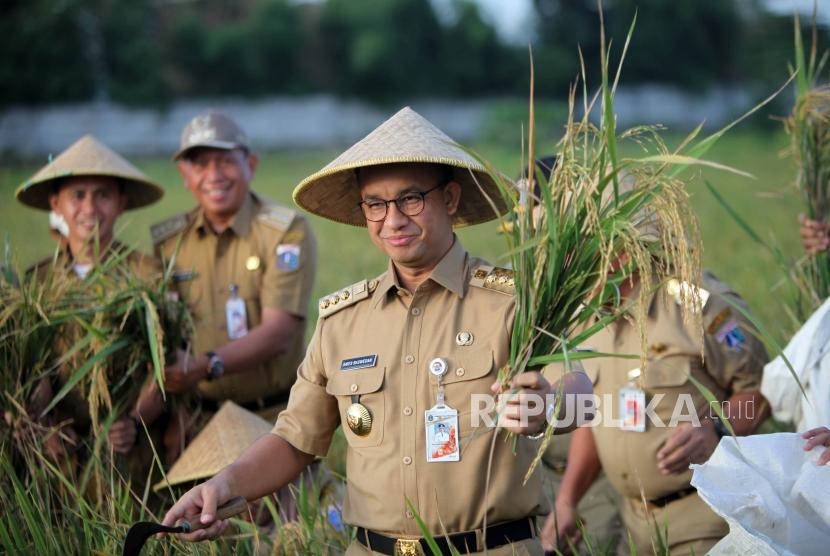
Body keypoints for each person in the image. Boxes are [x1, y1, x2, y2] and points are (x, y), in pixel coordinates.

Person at [162, 107, 594, 555]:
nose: (393, 220)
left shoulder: (511, 303)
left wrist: (549, 405)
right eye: (375, 204)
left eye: (411, 199)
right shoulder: (342, 320)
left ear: (449, 199)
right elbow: (294, 440)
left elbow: (582, 395)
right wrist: (224, 483)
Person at [541, 219, 770, 553]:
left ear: (622, 248)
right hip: (634, 527)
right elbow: (593, 418)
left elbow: (761, 390)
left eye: (582, 249)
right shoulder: (590, 317)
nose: (569, 263)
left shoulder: (696, 304)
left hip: (704, 519)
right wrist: (567, 501)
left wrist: (717, 429)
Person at [151, 110, 317, 440]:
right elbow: (169, 336)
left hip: (274, 419)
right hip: (200, 420)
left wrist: (204, 366)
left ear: (250, 165)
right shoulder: (170, 243)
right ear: (185, 175)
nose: (213, 175)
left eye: (225, 161)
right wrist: (176, 410)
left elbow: (278, 333)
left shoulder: (284, 232)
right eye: (199, 164)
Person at [16, 134, 168, 479]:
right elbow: (30, 365)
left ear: (121, 202)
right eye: (77, 196)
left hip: (132, 454)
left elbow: (165, 362)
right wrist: (42, 424)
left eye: (103, 195)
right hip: (58, 458)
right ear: (56, 203)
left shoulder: (147, 274)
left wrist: (134, 420)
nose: (89, 209)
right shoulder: (37, 283)